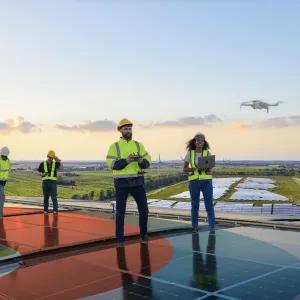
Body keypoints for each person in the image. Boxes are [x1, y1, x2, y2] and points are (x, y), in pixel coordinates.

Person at [106, 118, 151, 244]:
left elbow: (148, 162)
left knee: (144, 210)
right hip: (122, 184)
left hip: (138, 182)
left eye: (130, 128)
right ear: (120, 131)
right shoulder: (114, 147)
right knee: (120, 212)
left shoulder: (138, 145)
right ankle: (120, 239)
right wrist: (127, 161)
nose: (128, 131)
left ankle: (143, 234)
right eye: (125, 129)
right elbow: (112, 164)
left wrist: (142, 161)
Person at [183, 133, 215, 231]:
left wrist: (207, 168)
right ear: (195, 142)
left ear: (204, 142)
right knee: (195, 205)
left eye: (202, 140)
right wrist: (194, 168)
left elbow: (210, 166)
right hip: (194, 182)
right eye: (198, 140)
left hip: (206, 182)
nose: (200, 142)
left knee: (209, 205)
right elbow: (184, 169)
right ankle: (194, 226)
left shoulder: (207, 153)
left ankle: (212, 227)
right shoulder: (190, 153)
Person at [38, 150, 62, 214]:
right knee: (46, 197)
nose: (50, 158)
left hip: (53, 182)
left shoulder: (55, 163)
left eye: (52, 157)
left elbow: (61, 166)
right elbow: (38, 172)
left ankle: (55, 211)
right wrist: (42, 174)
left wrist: (57, 158)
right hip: (45, 182)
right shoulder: (42, 163)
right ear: (47, 156)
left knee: (54, 197)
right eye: (50, 157)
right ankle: (45, 211)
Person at [0, 147, 11, 218]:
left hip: (3, 182)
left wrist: (5, 179)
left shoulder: (8, 161)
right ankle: (0, 214)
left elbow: (7, 171)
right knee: (1, 197)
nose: (4, 156)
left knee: (2, 197)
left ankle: (1, 213)